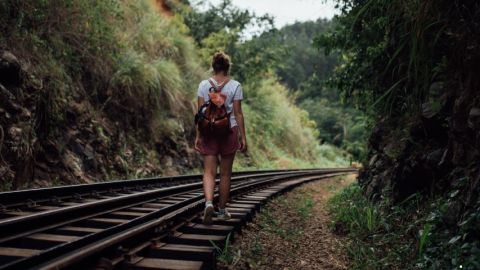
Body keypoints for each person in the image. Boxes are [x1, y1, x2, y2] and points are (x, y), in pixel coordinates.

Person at [194, 52, 247, 224]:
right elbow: (238, 114)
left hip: (209, 131)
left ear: (213, 67)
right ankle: (222, 210)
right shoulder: (235, 86)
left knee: (209, 172)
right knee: (225, 174)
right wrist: (243, 137)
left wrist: (198, 136)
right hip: (228, 131)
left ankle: (209, 203)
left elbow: (201, 114)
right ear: (227, 67)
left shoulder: (203, 85)